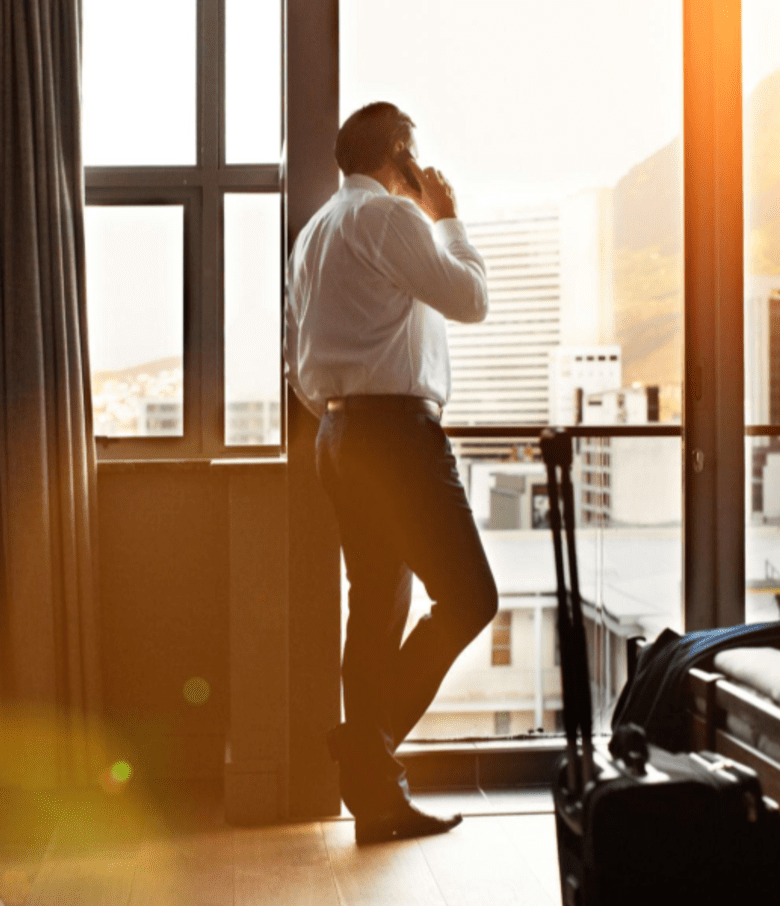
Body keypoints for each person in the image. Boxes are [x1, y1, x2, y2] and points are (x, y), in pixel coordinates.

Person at [285, 102, 499, 844]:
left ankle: (375, 799)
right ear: (400, 151)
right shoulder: (393, 220)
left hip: (338, 433)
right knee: (470, 597)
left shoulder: (314, 233)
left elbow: (302, 359)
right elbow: (470, 299)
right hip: (395, 437)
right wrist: (446, 216)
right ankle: (366, 743)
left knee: (374, 610)